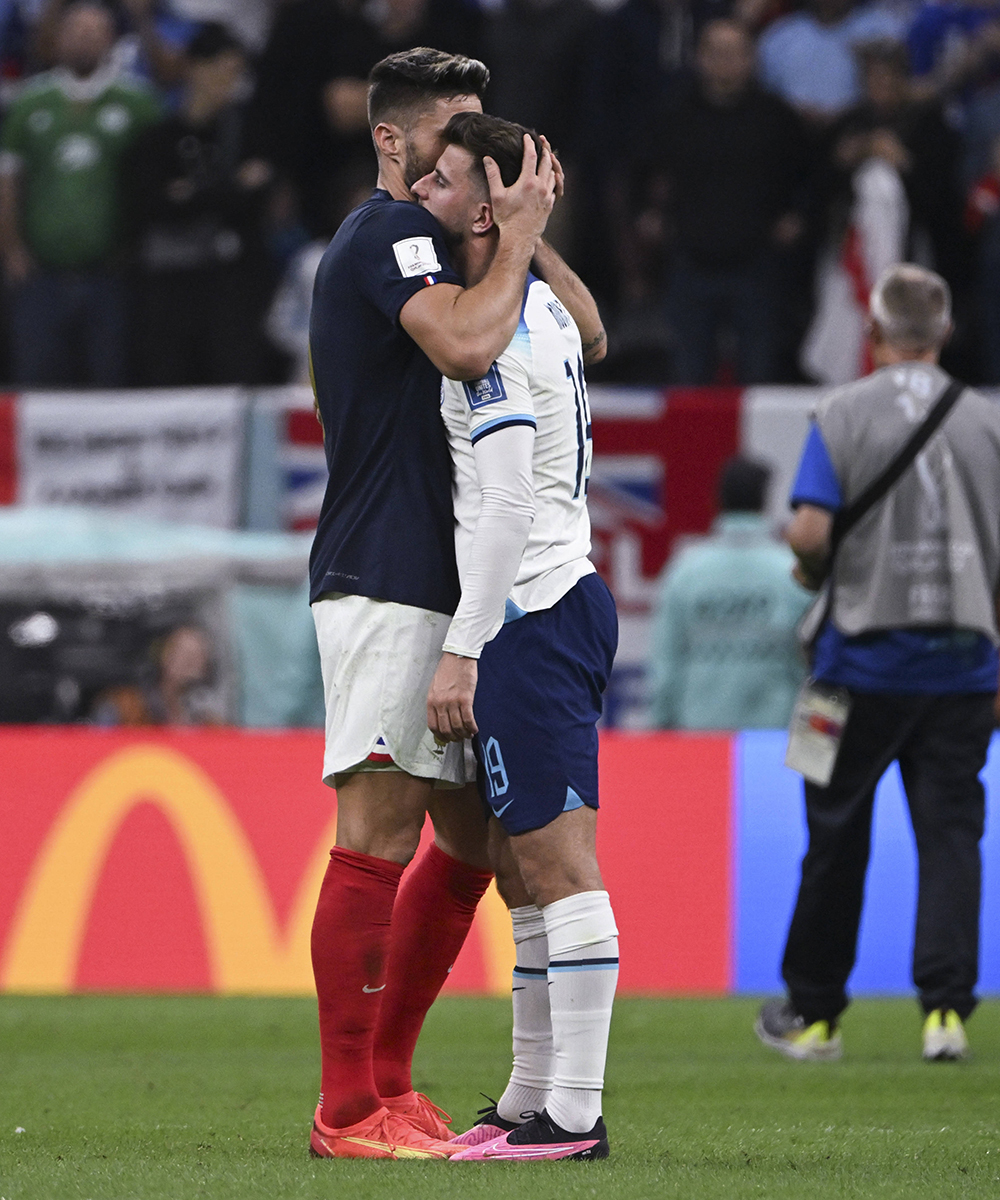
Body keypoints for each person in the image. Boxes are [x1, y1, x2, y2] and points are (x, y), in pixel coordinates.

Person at [305, 47, 559, 1162]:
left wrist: (523, 229)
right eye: (457, 133)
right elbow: (461, 340)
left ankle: (394, 1087)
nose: (477, 154)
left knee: (465, 846)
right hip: (388, 569)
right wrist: (514, 245)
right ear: (396, 144)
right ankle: (344, 1109)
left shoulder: (459, 244)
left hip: (445, 585)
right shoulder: (389, 231)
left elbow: (583, 337)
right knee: (378, 834)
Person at [412, 111, 617, 1162]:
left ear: (487, 205)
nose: (420, 195)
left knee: (556, 859)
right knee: (515, 864)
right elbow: (596, 334)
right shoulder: (539, 302)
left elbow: (498, 506)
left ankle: (572, 1117)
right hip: (554, 600)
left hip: (530, 609)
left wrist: (465, 644)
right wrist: (532, 228)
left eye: (443, 182)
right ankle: (528, 1098)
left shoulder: (487, 336)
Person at [756, 263, 1000, 1064]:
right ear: (945, 331)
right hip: (964, 669)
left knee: (832, 839)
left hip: (849, 669)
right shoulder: (987, 421)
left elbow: (809, 534)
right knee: (952, 838)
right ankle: (945, 1014)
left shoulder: (840, 409)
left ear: (873, 330)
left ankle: (816, 1015)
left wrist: (811, 572)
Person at [0, 1, 160, 385]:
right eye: (76, 31)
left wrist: (135, 248)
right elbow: (8, 178)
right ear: (57, 39)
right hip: (40, 274)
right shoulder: (30, 102)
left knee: (109, 380)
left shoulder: (137, 102)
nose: (84, 40)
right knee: (37, 381)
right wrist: (11, 247)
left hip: (110, 273)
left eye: (94, 32)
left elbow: (152, 181)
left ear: (112, 40)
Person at [653, 19, 811, 384]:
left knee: (759, 375)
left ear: (751, 59)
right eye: (716, 53)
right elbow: (647, 171)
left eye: (735, 54)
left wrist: (798, 216)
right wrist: (653, 216)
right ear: (700, 58)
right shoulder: (675, 114)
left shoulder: (777, 117)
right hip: (691, 261)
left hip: (757, 265)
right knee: (689, 378)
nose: (725, 63)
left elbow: (808, 175)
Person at [123, 22, 275, 384]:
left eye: (238, 74)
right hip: (170, 293)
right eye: (225, 71)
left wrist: (193, 192)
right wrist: (227, 188)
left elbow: (257, 200)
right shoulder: (158, 140)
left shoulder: (248, 136)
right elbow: (151, 207)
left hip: (230, 290)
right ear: (197, 68)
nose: (232, 83)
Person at [649, 456, 811, 730]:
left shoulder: (685, 572)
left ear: (717, 502)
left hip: (700, 740)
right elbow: (810, 668)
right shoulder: (792, 573)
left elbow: (666, 665)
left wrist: (660, 729)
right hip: (774, 741)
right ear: (765, 502)